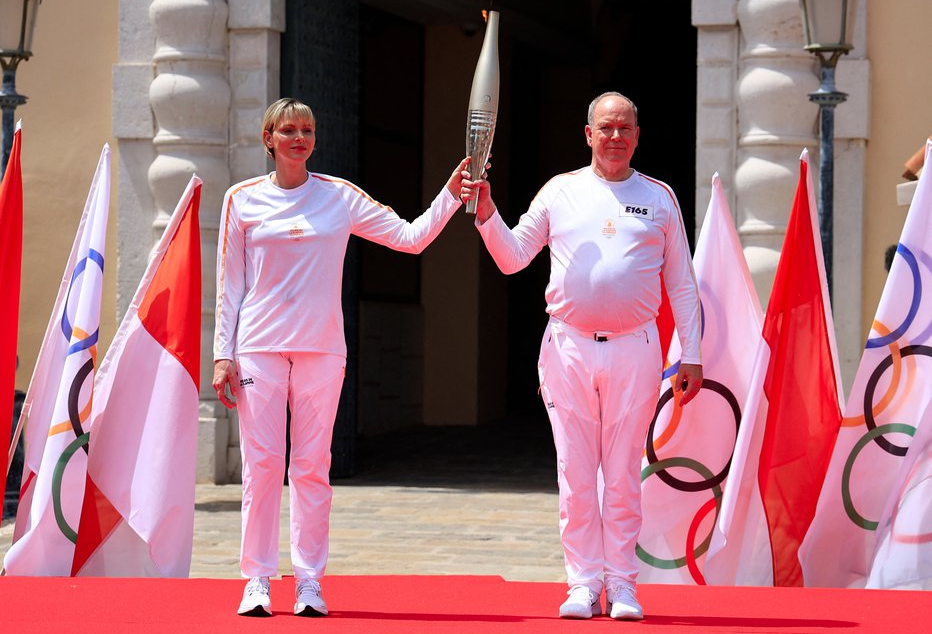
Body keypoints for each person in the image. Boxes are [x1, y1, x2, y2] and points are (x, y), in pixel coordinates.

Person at [213, 98, 469, 617]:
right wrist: (223, 354)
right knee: (262, 467)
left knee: (311, 468)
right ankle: (257, 580)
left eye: (307, 129)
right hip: (259, 348)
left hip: (321, 351)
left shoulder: (339, 198)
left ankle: (309, 580)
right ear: (269, 138)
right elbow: (230, 284)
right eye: (288, 130)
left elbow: (409, 238)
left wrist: (450, 194)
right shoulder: (242, 200)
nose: (299, 138)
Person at [460, 92, 703, 620]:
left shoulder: (658, 198)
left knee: (620, 475)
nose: (615, 137)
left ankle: (622, 585)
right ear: (588, 134)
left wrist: (693, 353)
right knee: (574, 472)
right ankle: (581, 582)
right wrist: (485, 213)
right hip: (567, 347)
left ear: (637, 136)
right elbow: (513, 257)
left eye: (625, 128)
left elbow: (682, 283)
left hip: (635, 348)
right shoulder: (561, 192)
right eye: (606, 128)